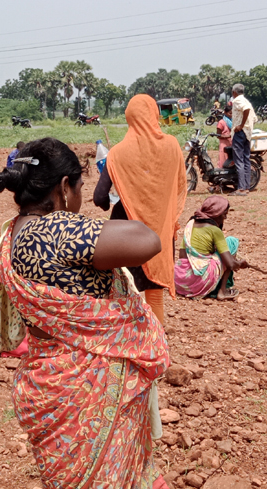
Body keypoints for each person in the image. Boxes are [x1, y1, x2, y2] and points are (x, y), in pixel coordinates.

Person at [0, 137, 172, 489]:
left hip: (48, 379)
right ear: (64, 187)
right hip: (89, 382)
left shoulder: (13, 232)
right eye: (81, 187)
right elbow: (147, 240)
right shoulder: (59, 229)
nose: (82, 196)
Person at [90, 94, 188, 324]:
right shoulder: (172, 145)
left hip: (124, 230)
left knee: (124, 287)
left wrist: (116, 203)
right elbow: (179, 186)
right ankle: (157, 332)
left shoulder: (118, 152)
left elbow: (99, 196)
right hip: (159, 228)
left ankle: (127, 334)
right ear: (154, 114)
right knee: (154, 289)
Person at [174, 196, 247, 300]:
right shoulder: (214, 230)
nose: (225, 218)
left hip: (180, 281)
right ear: (216, 213)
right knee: (231, 242)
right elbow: (231, 264)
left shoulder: (190, 224)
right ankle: (222, 291)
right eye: (224, 214)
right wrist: (240, 263)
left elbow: (182, 256)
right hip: (198, 283)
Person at [228, 84, 257, 196]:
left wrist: (241, 125)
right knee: (246, 160)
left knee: (239, 160)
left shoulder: (237, 101)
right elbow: (254, 118)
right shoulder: (246, 101)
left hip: (239, 133)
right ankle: (246, 187)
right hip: (247, 134)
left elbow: (246, 110)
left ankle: (241, 188)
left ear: (234, 92)